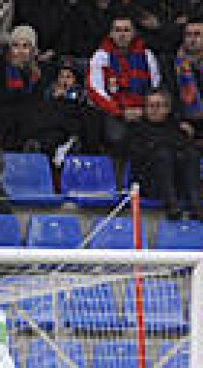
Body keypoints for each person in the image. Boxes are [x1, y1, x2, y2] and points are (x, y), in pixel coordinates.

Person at [87, 14, 162, 153]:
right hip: (114, 112)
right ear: (111, 34)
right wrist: (120, 112)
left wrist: (144, 110)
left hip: (143, 111)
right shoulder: (101, 56)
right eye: (118, 30)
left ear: (134, 33)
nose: (122, 35)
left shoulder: (147, 55)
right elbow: (95, 91)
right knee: (118, 138)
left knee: (153, 139)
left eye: (126, 30)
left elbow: (155, 87)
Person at [126, 89, 201, 219]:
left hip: (176, 182)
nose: (154, 110)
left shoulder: (176, 127)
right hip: (150, 183)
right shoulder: (136, 128)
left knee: (191, 153)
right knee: (163, 154)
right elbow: (138, 156)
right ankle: (172, 206)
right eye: (150, 106)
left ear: (167, 109)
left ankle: (195, 205)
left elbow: (184, 146)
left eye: (159, 105)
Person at [173, 17, 203, 141]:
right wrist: (179, 121)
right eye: (188, 34)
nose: (192, 39)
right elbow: (171, 94)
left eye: (197, 34)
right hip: (185, 120)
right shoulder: (173, 62)